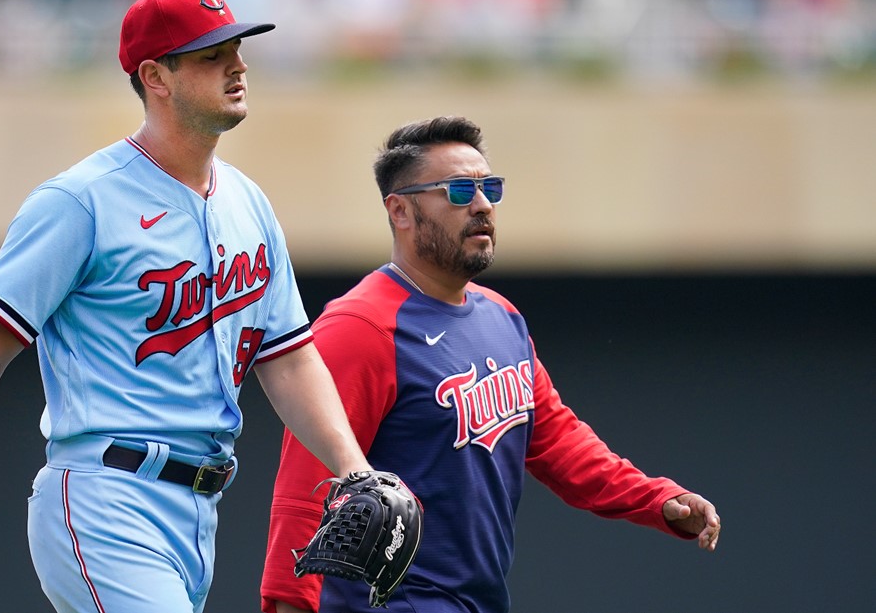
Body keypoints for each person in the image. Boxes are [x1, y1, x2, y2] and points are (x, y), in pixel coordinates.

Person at [0, 0, 370, 613]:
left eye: (236, 48)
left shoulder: (249, 203)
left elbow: (289, 357)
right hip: (106, 493)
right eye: (212, 55)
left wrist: (354, 470)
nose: (238, 65)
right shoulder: (81, 201)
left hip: (200, 507)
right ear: (156, 75)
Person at [260, 116, 721, 613]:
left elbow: (559, 442)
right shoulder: (362, 327)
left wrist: (653, 499)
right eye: (458, 190)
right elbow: (306, 487)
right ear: (400, 211)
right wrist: (289, 604)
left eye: (489, 187)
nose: (481, 205)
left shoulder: (501, 317)